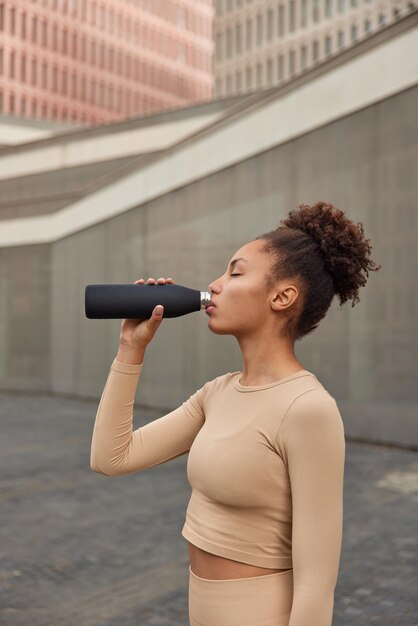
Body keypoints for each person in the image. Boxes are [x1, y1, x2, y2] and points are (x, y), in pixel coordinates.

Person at [90, 201, 381, 626]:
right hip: (202, 609)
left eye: (235, 272)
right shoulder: (217, 393)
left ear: (282, 296)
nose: (215, 284)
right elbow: (110, 458)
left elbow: (317, 586)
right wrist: (131, 349)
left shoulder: (308, 409)